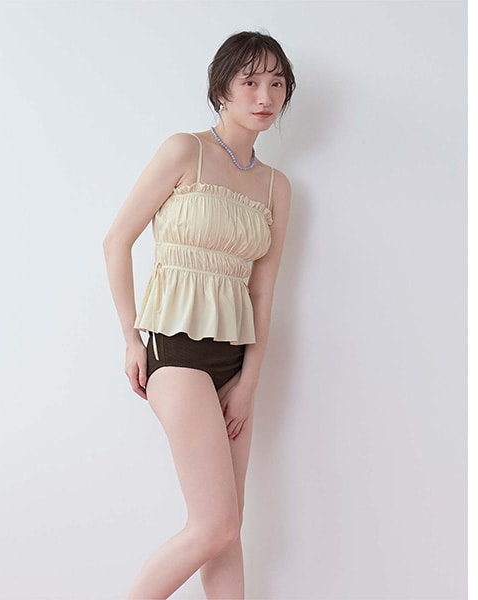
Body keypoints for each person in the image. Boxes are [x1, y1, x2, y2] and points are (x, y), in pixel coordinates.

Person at [102, 30, 295, 600]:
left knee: (229, 530)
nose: (265, 96)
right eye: (250, 81)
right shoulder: (184, 150)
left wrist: (249, 381)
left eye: (277, 83)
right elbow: (117, 240)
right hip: (175, 349)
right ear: (221, 89)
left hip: (235, 362)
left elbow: (263, 291)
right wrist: (131, 339)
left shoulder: (277, 187)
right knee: (213, 524)